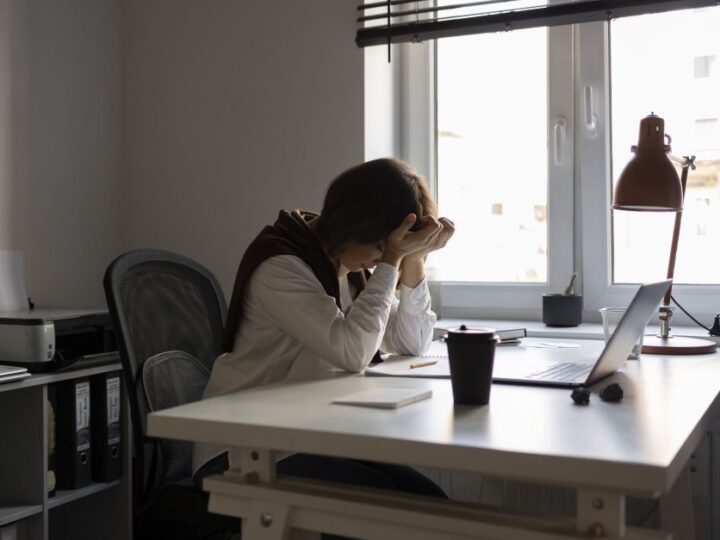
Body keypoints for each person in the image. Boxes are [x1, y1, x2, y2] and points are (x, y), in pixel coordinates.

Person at [193, 158, 455, 507]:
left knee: (431, 502)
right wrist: (392, 260)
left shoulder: (349, 268)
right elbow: (352, 352)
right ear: (355, 225)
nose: (380, 260)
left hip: (307, 435)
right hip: (241, 449)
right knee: (390, 510)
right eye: (380, 246)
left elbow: (410, 342)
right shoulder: (281, 265)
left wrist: (414, 259)